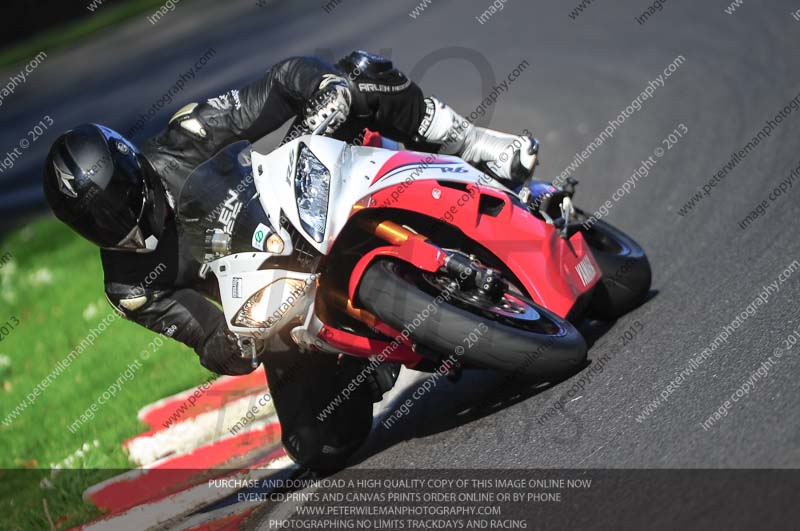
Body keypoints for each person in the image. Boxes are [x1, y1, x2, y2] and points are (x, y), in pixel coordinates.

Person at [42, 51, 538, 471]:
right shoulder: (130, 287)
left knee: (355, 75)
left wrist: (321, 88)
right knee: (317, 445)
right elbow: (204, 337)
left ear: (133, 167)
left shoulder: (185, 137)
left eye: (116, 200)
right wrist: (237, 344)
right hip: (281, 309)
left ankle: (475, 145)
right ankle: (374, 353)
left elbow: (277, 84)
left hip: (309, 202)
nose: (114, 220)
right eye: (95, 221)